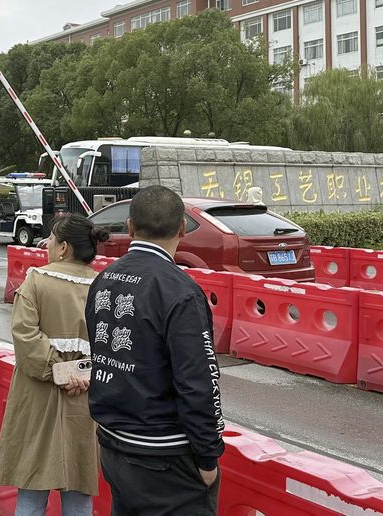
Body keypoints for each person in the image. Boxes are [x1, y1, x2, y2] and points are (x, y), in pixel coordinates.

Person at [86, 186, 225, 515]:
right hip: (164, 458)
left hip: (113, 444)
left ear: (130, 227)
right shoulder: (180, 291)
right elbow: (199, 383)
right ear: (181, 229)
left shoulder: (104, 279)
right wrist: (208, 456)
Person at [0, 213, 110, 516]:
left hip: (38, 396)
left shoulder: (37, 279)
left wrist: (59, 371)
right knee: (79, 488)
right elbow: (114, 347)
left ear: (63, 247)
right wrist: (82, 374)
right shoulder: (105, 287)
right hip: (84, 397)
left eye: (52, 239)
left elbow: (25, 337)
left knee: (32, 487)